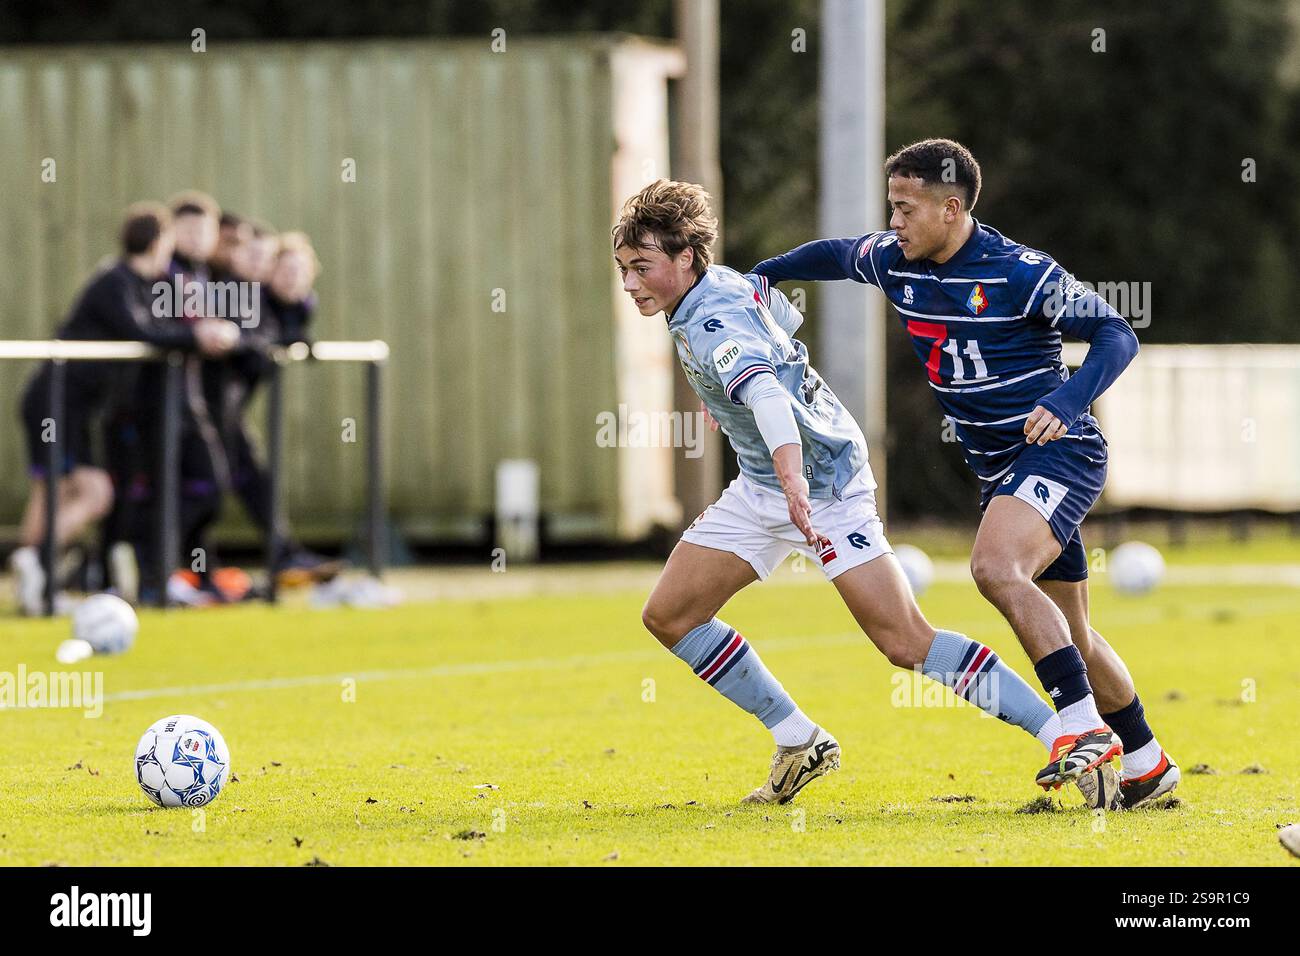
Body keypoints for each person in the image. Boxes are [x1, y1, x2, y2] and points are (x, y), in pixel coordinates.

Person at [614, 179, 1116, 807]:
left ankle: (1061, 733)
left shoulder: (712, 320)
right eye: (624, 269)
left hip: (821, 483)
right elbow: (780, 332)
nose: (630, 283)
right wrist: (736, 403)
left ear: (686, 257)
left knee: (905, 641)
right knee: (670, 615)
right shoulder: (719, 290)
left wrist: (787, 462)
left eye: (642, 267)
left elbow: (766, 391)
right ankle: (799, 740)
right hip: (765, 481)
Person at [751, 139, 1179, 808]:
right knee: (1076, 638)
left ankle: (1082, 729)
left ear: (950, 209)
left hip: (1059, 453)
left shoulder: (1020, 271)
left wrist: (1068, 400)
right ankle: (1148, 764)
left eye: (904, 208)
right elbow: (836, 255)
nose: (892, 222)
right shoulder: (897, 261)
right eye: (890, 207)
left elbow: (1116, 333)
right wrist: (764, 274)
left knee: (994, 569)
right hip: (1001, 469)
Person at [9, 202, 236, 613]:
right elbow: (141, 331)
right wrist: (195, 337)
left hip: (76, 407)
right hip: (55, 401)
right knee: (80, 495)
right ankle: (33, 566)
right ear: (158, 241)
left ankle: (36, 580)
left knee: (74, 494)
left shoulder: (144, 285)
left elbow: (161, 325)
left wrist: (202, 328)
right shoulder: (115, 281)